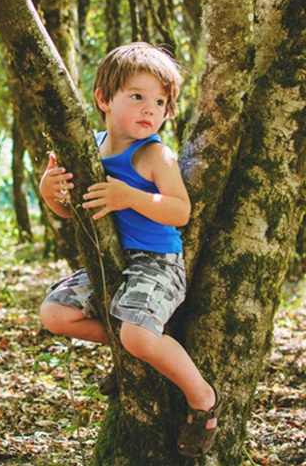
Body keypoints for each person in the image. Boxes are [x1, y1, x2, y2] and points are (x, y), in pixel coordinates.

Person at [38, 42, 222, 458]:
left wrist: (130, 197)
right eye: (137, 96)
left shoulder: (156, 154)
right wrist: (48, 191)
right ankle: (136, 351)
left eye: (160, 101)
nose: (149, 109)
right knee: (54, 314)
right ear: (104, 99)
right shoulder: (91, 148)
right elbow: (72, 211)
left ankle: (202, 398)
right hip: (111, 262)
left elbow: (180, 211)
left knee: (136, 332)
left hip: (157, 264)